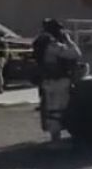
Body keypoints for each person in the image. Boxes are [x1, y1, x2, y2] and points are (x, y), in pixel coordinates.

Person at [33, 19, 82, 147]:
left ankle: (54, 139)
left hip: (47, 81)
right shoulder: (52, 44)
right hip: (58, 80)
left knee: (51, 110)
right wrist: (69, 40)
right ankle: (56, 140)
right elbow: (75, 54)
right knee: (58, 110)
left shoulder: (40, 42)